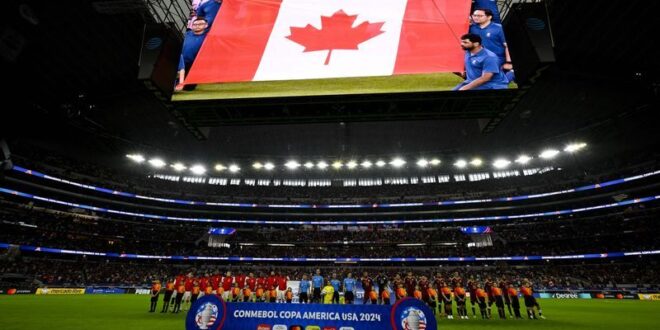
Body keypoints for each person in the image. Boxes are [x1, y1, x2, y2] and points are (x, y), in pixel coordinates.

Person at [469, 8, 514, 82]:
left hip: (497, 58)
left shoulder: (499, 28)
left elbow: (507, 46)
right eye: (474, 15)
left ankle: (510, 74)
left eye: (480, 16)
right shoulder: (472, 28)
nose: (476, 17)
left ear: (489, 17)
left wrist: (508, 62)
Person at [175, 17, 209, 91]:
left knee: (188, 87)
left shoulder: (208, 36)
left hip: (194, 64)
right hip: (181, 60)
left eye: (200, 24)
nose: (197, 26)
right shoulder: (187, 34)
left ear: (206, 25)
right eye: (195, 24)